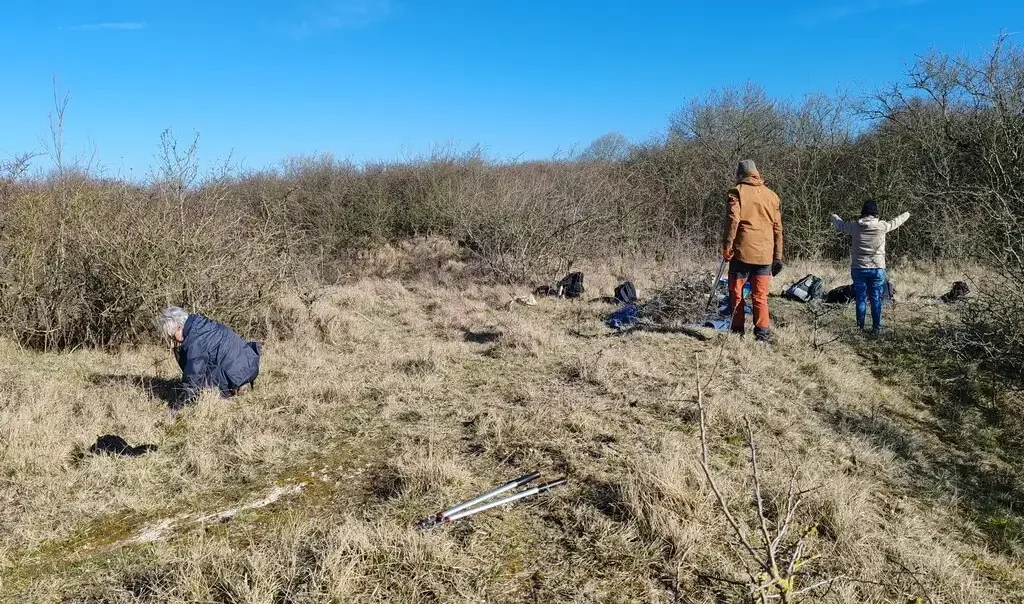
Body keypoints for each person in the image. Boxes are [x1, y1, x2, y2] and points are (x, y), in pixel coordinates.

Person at [722, 159, 784, 342]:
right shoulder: (772, 196)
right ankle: (762, 335)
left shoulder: (736, 192)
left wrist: (727, 246)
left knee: (737, 294)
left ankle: (737, 333)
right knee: (760, 296)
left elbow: (733, 220)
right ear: (756, 174)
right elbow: (778, 228)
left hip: (741, 253)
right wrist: (778, 256)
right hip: (765, 255)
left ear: (740, 175)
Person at [156, 306, 261, 410]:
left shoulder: (195, 341)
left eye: (173, 336)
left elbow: (193, 379)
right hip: (250, 364)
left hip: (237, 373)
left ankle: (228, 395)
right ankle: (240, 387)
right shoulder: (200, 323)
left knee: (203, 390)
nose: (174, 340)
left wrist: (176, 407)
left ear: (179, 327)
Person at [829, 201, 910, 334]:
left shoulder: (854, 226)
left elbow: (840, 224)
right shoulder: (882, 226)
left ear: (863, 212)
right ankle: (876, 328)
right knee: (875, 298)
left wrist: (834, 216)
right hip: (877, 269)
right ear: (875, 213)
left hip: (858, 268)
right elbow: (896, 222)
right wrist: (907, 213)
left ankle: (860, 327)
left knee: (860, 298)